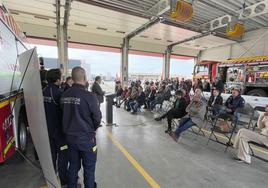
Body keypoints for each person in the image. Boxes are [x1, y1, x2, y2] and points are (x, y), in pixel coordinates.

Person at [61, 67, 101, 188]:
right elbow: (97, 118)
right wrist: (91, 129)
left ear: (72, 79)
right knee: (89, 169)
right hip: (86, 139)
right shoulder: (90, 96)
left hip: (70, 138)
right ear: (84, 78)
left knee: (73, 165)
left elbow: (62, 115)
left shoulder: (64, 95)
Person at [43, 69, 68, 186]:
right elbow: (65, 112)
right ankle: (63, 180)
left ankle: (52, 177)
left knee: (52, 154)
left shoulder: (43, 91)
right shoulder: (58, 93)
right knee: (63, 156)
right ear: (57, 80)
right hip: (59, 131)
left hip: (47, 129)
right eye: (61, 77)